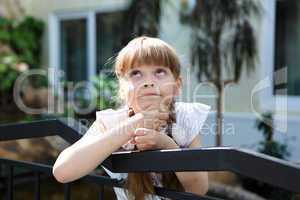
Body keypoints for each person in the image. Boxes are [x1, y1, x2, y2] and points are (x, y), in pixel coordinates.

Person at [52, 36, 211, 200]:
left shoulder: (185, 118)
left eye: (160, 72)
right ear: (122, 89)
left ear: (177, 86)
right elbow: (62, 172)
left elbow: (198, 188)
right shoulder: (111, 123)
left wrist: (167, 145)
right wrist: (135, 123)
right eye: (136, 73)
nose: (148, 82)